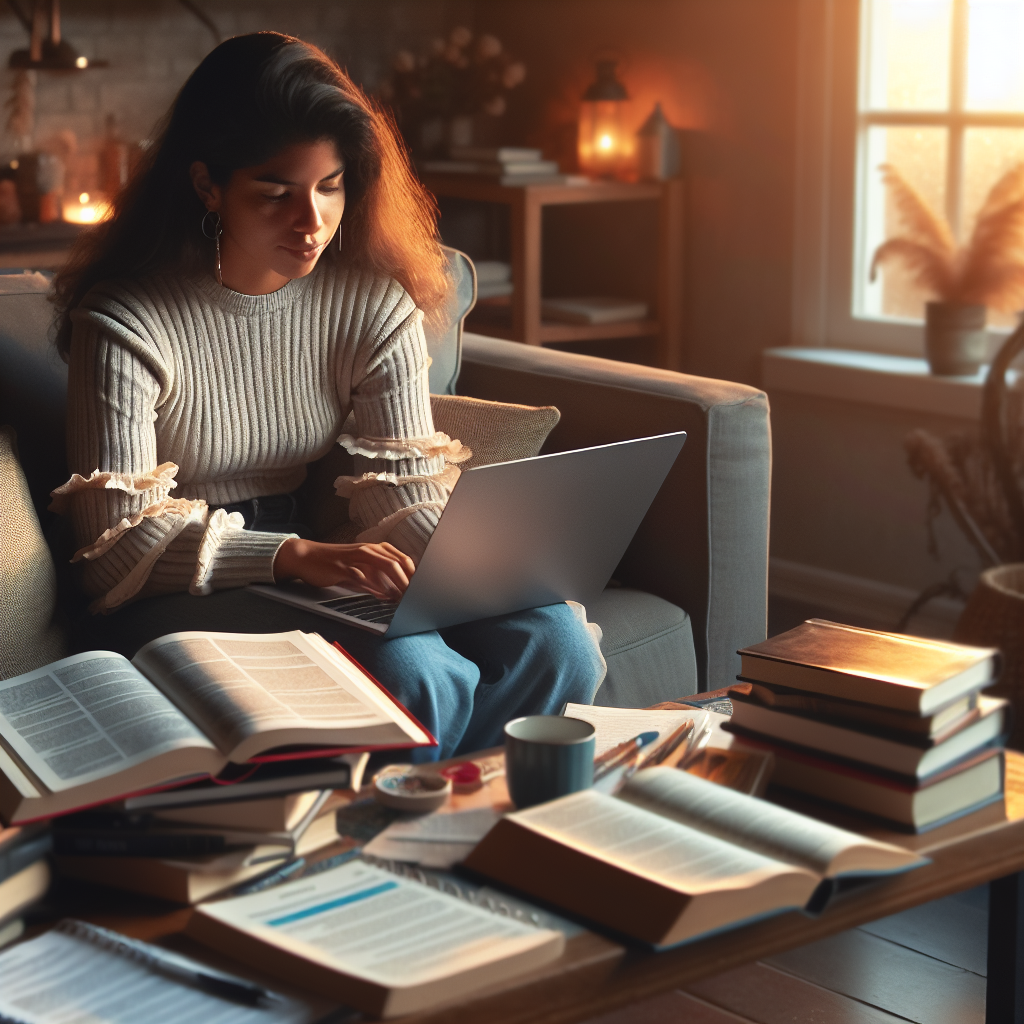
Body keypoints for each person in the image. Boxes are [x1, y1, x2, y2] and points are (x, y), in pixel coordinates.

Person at [50, 32, 605, 761]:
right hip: (174, 589)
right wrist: (294, 555)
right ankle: (384, 837)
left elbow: (395, 488)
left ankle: (476, 820)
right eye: (275, 193)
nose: (311, 221)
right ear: (208, 186)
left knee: (560, 641)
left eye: (331, 185)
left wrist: (472, 567)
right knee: (414, 668)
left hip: (310, 560)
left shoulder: (372, 305)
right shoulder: (126, 322)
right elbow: (114, 549)